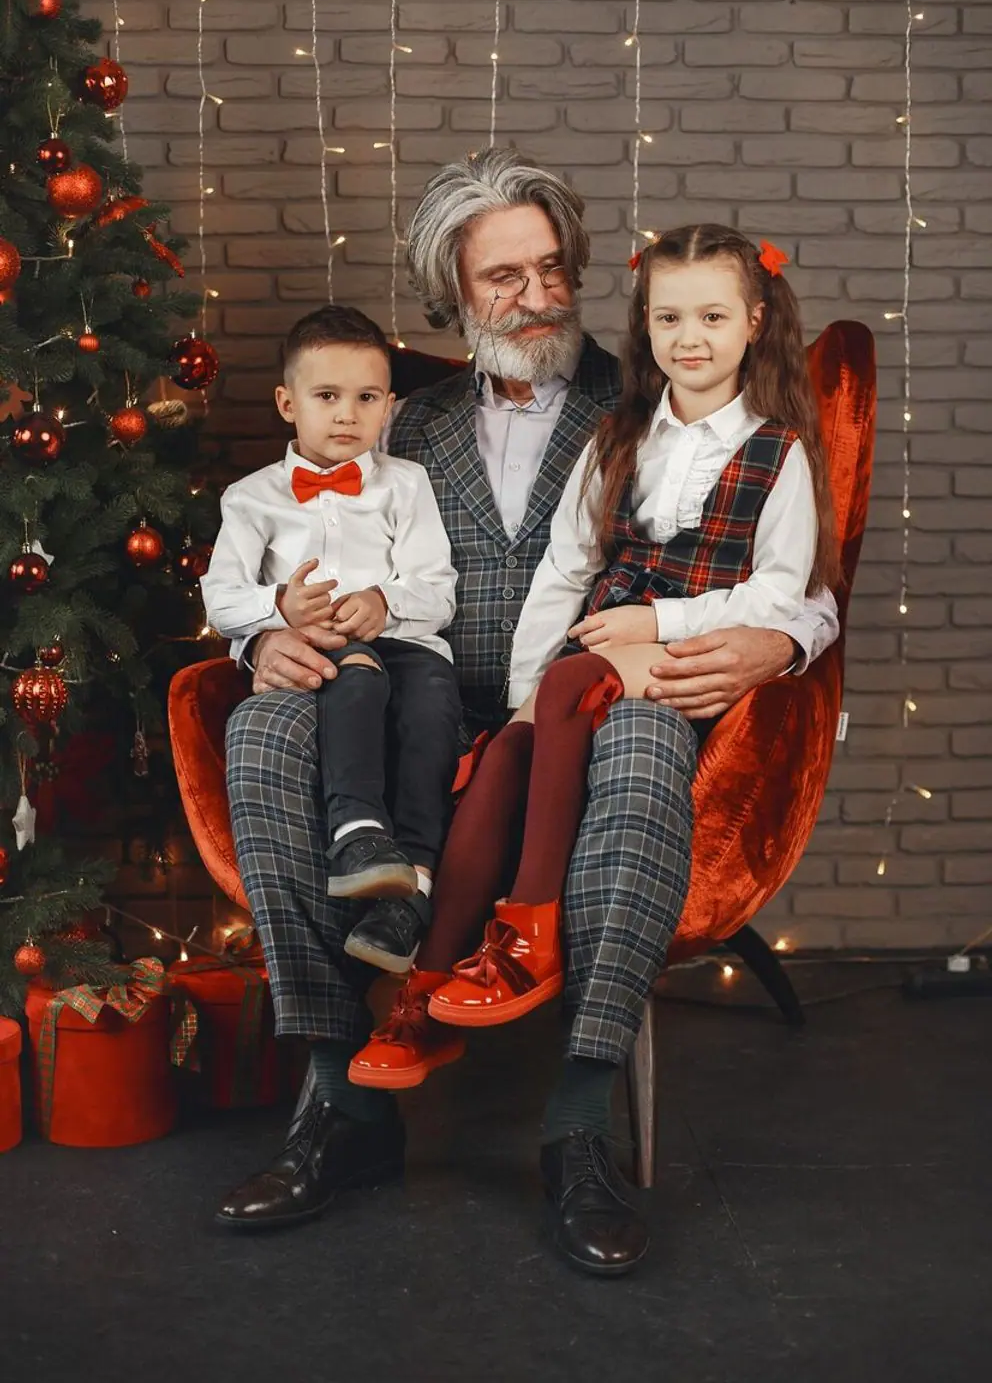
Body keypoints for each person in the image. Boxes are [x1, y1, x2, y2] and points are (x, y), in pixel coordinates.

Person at [215, 149, 840, 1277]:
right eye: (501, 278)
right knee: (261, 727)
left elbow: (801, 581)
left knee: (645, 738)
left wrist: (780, 637)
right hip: (413, 697)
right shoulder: (400, 416)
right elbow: (297, 551)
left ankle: (577, 1127)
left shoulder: (642, 397)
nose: (534, 297)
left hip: (601, 702)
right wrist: (266, 632)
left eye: (551, 269)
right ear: (450, 292)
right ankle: (339, 1109)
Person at [414, 225, 839, 1035]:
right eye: (669, 318)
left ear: (755, 322)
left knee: (574, 677)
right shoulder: (617, 438)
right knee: (509, 747)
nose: (690, 339)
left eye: (713, 318)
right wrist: (520, 700)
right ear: (645, 324)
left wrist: (659, 619)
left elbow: (783, 593)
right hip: (604, 653)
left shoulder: (777, 451)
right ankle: (423, 991)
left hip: (690, 662)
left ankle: (530, 921)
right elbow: (565, 572)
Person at [201, 305, 462, 985]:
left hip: (407, 645)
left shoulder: (407, 484)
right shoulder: (251, 498)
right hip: (326, 652)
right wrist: (275, 609)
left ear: (388, 408)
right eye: (327, 396)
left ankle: (413, 894)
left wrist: (385, 602)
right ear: (288, 403)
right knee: (359, 676)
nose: (347, 414)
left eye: (367, 398)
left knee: (433, 710)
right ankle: (356, 836)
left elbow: (437, 589)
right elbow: (221, 601)